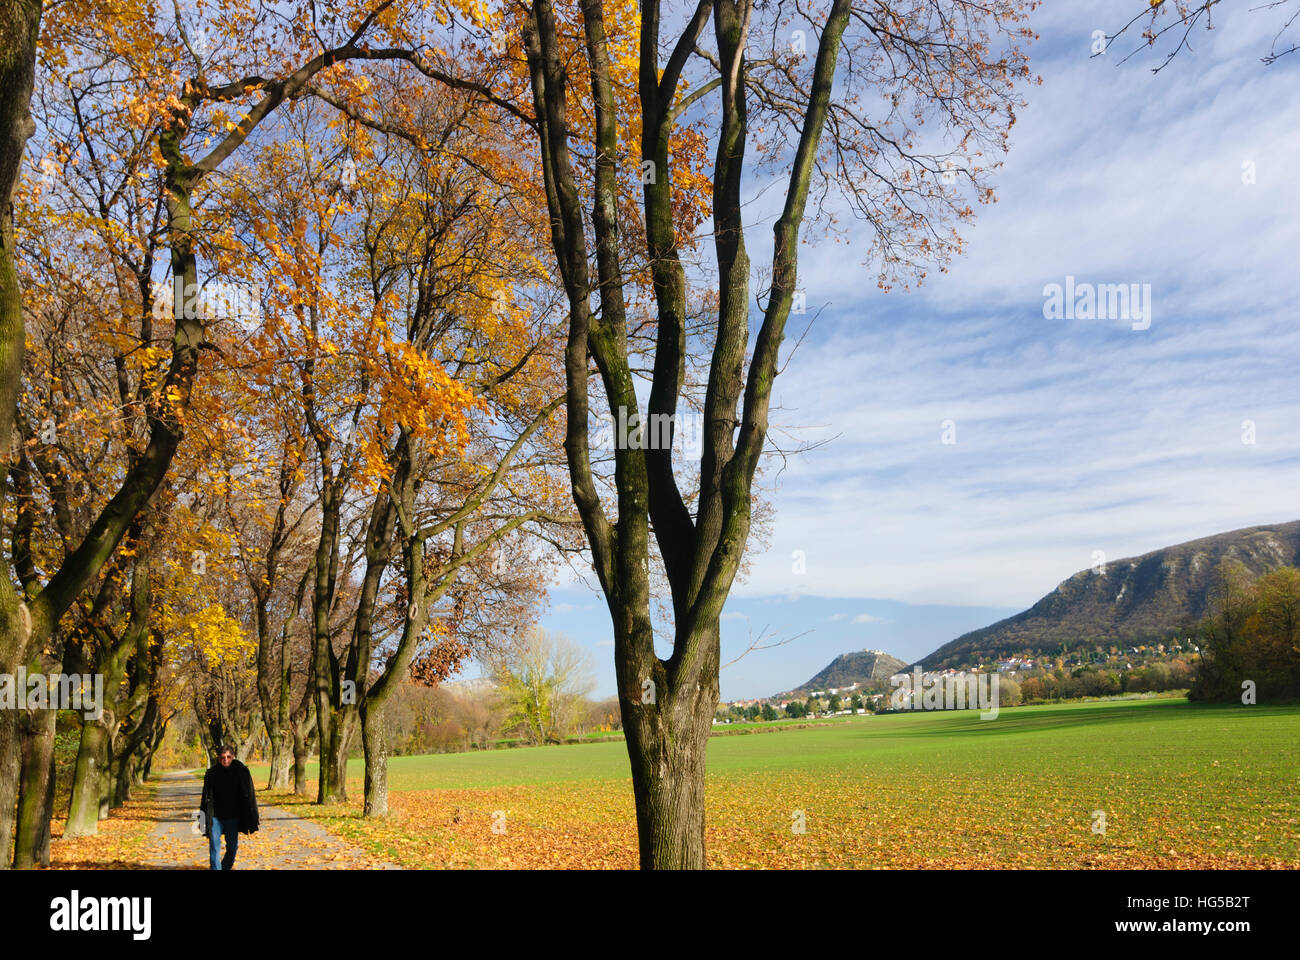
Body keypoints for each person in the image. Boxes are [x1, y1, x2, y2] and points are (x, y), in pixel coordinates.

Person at [199, 745, 259, 870]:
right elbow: (205, 799)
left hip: (233, 816)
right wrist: (202, 820)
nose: (225, 760)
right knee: (214, 846)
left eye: (228, 757)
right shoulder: (212, 774)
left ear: (233, 757)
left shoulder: (241, 771)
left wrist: (253, 816)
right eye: (222, 757)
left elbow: (250, 796)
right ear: (218, 758)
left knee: (232, 847)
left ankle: (225, 867)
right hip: (214, 816)